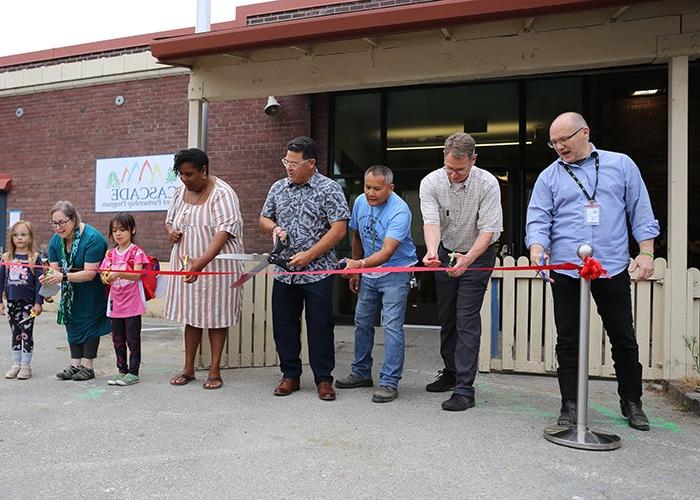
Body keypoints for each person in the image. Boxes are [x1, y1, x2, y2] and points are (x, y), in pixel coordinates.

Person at [525, 112, 659, 431]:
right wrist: (536, 250)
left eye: (564, 140)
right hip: (567, 271)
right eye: (553, 142)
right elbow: (538, 219)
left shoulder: (621, 165)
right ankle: (569, 404)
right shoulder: (549, 177)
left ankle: (632, 402)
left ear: (584, 132)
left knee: (623, 337)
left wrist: (646, 252)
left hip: (610, 267)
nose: (558, 147)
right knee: (567, 339)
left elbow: (640, 211)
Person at [260, 136, 349, 401]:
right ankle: (290, 375)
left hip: (317, 271)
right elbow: (264, 217)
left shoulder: (329, 188)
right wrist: (274, 228)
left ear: (311, 163)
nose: (288, 166)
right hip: (285, 272)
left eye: (294, 163)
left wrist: (310, 255)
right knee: (284, 325)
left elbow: (340, 228)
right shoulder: (278, 187)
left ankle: (323, 379)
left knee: (320, 326)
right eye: (286, 160)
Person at [419, 132, 503, 411]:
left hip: (479, 253)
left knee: (466, 317)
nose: (453, 175)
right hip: (446, 249)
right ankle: (451, 372)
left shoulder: (488, 183)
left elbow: (489, 230)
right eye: (449, 168)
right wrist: (432, 252)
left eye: (460, 170)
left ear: (473, 160)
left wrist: (468, 260)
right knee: (447, 315)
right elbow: (431, 222)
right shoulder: (431, 182)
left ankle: (465, 389)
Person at [335, 165, 417, 403]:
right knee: (361, 322)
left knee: (391, 325)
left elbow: (388, 252)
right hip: (368, 273)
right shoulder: (360, 201)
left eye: (377, 189)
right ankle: (361, 372)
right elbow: (357, 235)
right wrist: (357, 272)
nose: (370, 193)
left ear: (390, 188)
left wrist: (358, 265)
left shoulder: (400, 211)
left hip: (396, 272)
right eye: (367, 186)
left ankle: (389, 382)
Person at [164, 148, 244, 390]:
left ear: (204, 171)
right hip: (189, 265)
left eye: (189, 174)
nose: (184, 179)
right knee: (191, 316)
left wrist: (202, 261)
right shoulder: (180, 192)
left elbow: (224, 231)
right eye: (180, 175)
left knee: (217, 316)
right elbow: (169, 220)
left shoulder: (223, 193)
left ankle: (214, 369)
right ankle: (188, 368)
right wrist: (171, 231)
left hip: (216, 267)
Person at [40, 201, 110, 381]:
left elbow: (89, 273)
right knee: (72, 324)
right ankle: (75, 365)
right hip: (70, 293)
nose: (58, 227)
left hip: (91, 290)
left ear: (74, 219)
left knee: (90, 325)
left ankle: (88, 366)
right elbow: (54, 270)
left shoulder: (92, 238)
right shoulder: (56, 240)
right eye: (54, 223)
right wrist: (47, 279)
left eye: (62, 222)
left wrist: (62, 277)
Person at [100, 213, 150, 386]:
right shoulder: (110, 254)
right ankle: (121, 370)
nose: (118, 234)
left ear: (132, 230)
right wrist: (106, 278)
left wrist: (119, 273)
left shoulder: (137, 252)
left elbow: (137, 275)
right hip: (115, 303)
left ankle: (133, 372)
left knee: (133, 339)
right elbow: (103, 275)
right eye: (114, 230)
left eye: (122, 229)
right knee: (117, 339)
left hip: (133, 303)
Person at [1, 221, 43, 380]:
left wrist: (39, 302)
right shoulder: (7, 257)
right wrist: (0, 302)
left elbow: (40, 282)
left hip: (28, 303)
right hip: (11, 302)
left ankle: (26, 366)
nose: (19, 238)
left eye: (23, 234)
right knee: (15, 333)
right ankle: (16, 364)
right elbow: (0, 281)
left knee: (26, 333)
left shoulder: (34, 258)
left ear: (30, 237)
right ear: (11, 237)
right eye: (16, 235)